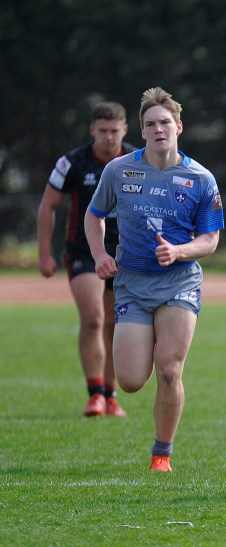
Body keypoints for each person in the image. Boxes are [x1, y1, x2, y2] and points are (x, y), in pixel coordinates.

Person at [84, 87, 224, 472]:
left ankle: (161, 454)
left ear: (179, 126)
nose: (158, 129)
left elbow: (210, 239)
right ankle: (150, 341)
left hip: (179, 282)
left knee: (169, 370)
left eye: (165, 122)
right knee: (130, 380)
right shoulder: (119, 170)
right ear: (142, 131)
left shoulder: (200, 178)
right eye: (151, 124)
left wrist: (179, 251)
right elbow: (94, 215)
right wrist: (100, 255)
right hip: (132, 284)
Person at [37, 102, 135, 418]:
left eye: (114, 131)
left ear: (124, 130)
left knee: (115, 323)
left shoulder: (138, 161)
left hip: (125, 253)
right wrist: (44, 253)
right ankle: (95, 395)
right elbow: (48, 205)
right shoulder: (73, 162)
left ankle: (110, 395)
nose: (108, 137)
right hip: (83, 251)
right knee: (93, 319)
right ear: (92, 130)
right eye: (102, 131)